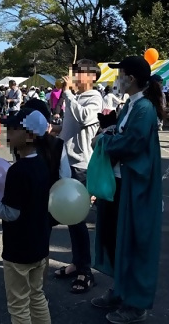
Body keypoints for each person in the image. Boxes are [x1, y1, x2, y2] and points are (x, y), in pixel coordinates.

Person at [91, 56, 164, 324]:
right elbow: (123, 136)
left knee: (135, 242)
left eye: (120, 74)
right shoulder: (133, 105)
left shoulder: (143, 108)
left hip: (135, 187)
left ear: (131, 78)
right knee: (116, 238)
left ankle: (136, 303)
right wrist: (109, 133)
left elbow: (132, 144)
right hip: (121, 183)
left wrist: (103, 142)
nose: (117, 79)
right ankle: (121, 290)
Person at [0, 109, 52, 324]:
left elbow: (10, 213)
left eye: (15, 129)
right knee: (37, 296)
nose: (8, 133)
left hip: (18, 250)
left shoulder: (18, 171)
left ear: (30, 136)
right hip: (39, 244)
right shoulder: (42, 165)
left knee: (18, 304)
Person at [54, 59, 103, 294]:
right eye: (74, 71)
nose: (74, 75)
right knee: (69, 218)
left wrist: (68, 95)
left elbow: (85, 118)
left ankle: (86, 271)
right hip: (66, 161)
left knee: (77, 219)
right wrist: (55, 131)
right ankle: (77, 263)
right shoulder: (75, 97)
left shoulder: (94, 97)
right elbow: (70, 128)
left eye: (79, 72)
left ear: (92, 76)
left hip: (82, 164)